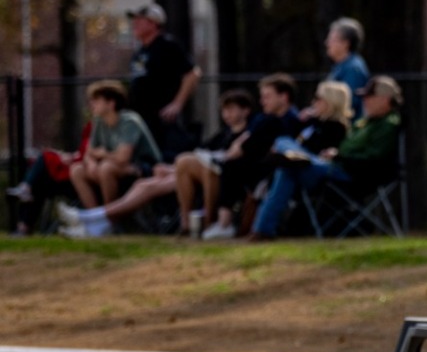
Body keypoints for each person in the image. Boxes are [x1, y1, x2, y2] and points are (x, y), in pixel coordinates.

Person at [58, 91, 255, 238]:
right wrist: (170, 169)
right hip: (193, 173)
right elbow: (202, 153)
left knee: (157, 177)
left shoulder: (249, 134)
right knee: (144, 185)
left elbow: (225, 160)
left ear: (246, 110)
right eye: (224, 110)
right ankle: (96, 221)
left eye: (231, 109)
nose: (226, 114)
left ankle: (95, 218)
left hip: (216, 176)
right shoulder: (222, 135)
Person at [250, 77, 406, 241]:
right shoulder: (366, 122)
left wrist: (338, 155)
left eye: (369, 97)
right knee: (287, 165)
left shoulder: (388, 124)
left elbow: (373, 157)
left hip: (352, 173)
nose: (364, 101)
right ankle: (263, 230)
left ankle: (263, 229)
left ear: (385, 99)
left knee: (285, 148)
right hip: (335, 166)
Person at [190, 73, 303, 240]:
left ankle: (223, 223)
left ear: (284, 97)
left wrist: (242, 146)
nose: (263, 101)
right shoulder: (266, 119)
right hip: (258, 165)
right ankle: (207, 222)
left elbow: (249, 145)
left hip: (274, 170)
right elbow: (247, 142)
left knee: (230, 167)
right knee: (225, 165)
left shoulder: (289, 121)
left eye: (267, 96)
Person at [67, 81, 163, 212]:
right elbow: (89, 152)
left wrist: (101, 154)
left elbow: (123, 157)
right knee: (76, 170)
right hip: (112, 166)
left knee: (106, 168)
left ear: (111, 103)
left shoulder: (129, 122)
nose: (91, 104)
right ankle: (94, 218)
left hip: (144, 167)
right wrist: (91, 164)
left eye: (97, 100)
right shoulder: (99, 121)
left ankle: (109, 217)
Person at [126, 4, 201, 159]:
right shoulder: (140, 52)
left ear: (153, 23)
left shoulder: (167, 45)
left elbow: (193, 73)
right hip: (142, 119)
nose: (135, 24)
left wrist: (177, 103)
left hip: (163, 120)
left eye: (140, 20)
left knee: (165, 159)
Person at [325, 18, 372, 118]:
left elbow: (349, 103)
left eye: (332, 39)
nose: (327, 43)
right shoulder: (340, 66)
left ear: (345, 43)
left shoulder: (353, 68)